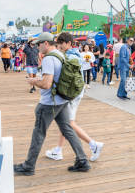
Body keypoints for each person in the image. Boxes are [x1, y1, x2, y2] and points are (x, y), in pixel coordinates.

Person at [14, 32, 90, 176]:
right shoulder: (61, 55)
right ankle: (82, 160)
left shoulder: (49, 59)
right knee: (68, 129)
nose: (37, 47)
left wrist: (33, 81)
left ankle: (28, 165)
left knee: (38, 133)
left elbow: (47, 84)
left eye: (39, 44)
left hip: (49, 103)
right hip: (62, 99)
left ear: (46, 43)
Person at [45, 42, 104, 162]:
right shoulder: (77, 54)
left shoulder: (68, 57)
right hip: (77, 91)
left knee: (68, 123)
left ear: (67, 43)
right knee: (65, 122)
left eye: (60, 46)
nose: (58, 48)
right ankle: (58, 150)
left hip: (70, 94)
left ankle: (93, 144)